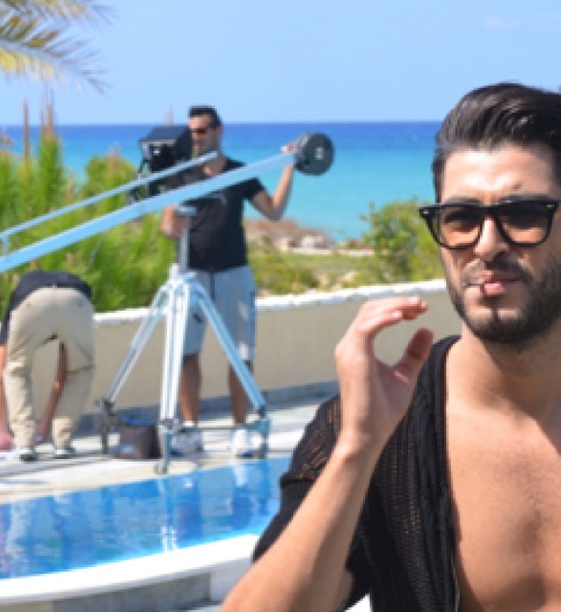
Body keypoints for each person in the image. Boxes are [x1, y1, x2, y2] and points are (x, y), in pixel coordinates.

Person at [222, 82, 561, 611]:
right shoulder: (380, 430)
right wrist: (358, 450)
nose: (487, 244)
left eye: (523, 214)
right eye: (461, 218)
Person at [161, 105, 295, 458]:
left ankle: (240, 428)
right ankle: (190, 429)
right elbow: (166, 223)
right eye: (191, 131)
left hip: (234, 272)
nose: (195, 137)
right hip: (191, 273)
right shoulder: (181, 175)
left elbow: (273, 211)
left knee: (241, 353)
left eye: (201, 131)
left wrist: (289, 167)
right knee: (185, 353)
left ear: (218, 132)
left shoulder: (239, 173)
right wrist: (172, 226)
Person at [0, 269, 95, 462]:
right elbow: (65, 371)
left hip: (32, 302)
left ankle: (24, 443)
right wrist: (46, 426)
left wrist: (1, 431)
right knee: (80, 370)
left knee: (16, 371)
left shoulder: (16, 302)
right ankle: (62, 443)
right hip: (76, 300)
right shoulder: (70, 286)